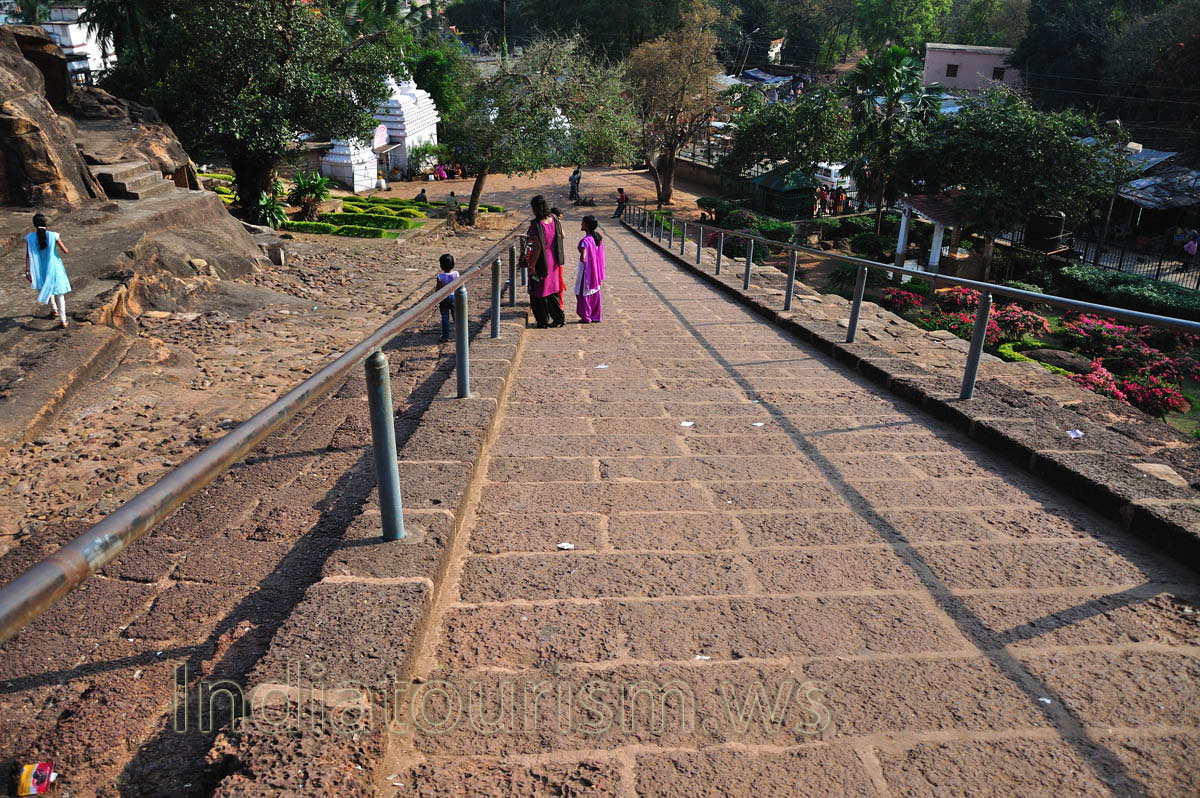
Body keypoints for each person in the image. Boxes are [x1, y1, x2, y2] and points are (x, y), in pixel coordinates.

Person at [526, 195, 565, 328]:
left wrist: (532, 265)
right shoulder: (554, 219)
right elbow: (562, 235)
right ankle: (558, 318)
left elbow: (537, 247)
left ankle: (542, 321)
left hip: (542, 260)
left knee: (538, 292)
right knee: (552, 290)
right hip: (554, 260)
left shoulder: (536, 225)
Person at [26, 213, 70, 328]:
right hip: (54, 268)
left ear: (34, 224)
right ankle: (63, 320)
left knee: (47, 287)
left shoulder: (30, 237)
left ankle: (53, 310)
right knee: (60, 294)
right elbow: (65, 251)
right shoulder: (53, 235)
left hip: (40, 269)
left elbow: (28, 255)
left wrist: (28, 271)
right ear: (46, 223)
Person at [574, 215, 606, 323]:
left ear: (587, 225)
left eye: (583, 223)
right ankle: (595, 315)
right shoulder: (597, 238)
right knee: (594, 292)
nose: (581, 224)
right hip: (595, 271)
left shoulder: (585, 241)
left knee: (583, 292)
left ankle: (586, 316)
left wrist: (584, 258)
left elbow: (583, 257)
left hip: (586, 271)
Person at [435, 253, 458, 341]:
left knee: (445, 317)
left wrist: (436, 300)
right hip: (454, 297)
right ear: (453, 265)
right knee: (456, 316)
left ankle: (445, 336)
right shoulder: (456, 274)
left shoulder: (440, 277)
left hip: (444, 298)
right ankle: (460, 334)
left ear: (441, 266)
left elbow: (438, 290)